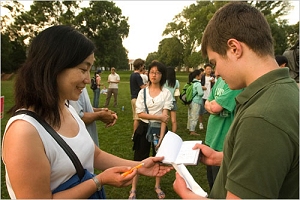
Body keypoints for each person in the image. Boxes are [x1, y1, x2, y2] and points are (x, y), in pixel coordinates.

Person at [1, 25, 172, 199]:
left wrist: (140, 166)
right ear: (53, 67)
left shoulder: (67, 109)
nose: (87, 79)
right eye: (83, 69)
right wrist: (98, 181)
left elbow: (93, 153)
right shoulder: (24, 132)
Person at [173, 2, 299, 199]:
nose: (217, 72)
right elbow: (275, 161)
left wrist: (186, 194)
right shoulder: (284, 91)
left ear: (234, 48)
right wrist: (223, 158)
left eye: (215, 63)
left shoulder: (261, 118)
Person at [130, 61, 173, 199]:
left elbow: (165, 118)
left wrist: (161, 137)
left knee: (158, 158)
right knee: (138, 160)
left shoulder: (166, 93)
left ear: (162, 75)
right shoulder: (142, 92)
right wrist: (159, 117)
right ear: (148, 73)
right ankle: (133, 188)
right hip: (143, 129)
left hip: (159, 129)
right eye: (152, 72)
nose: (154, 75)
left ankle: (157, 186)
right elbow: (140, 113)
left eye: (157, 72)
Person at [203, 76, 243, 191]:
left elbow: (215, 107)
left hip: (222, 143)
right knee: (211, 181)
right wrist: (212, 105)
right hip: (211, 139)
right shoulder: (220, 81)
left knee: (219, 186)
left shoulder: (235, 83)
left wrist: (212, 105)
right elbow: (207, 102)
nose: (216, 71)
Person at [130, 58, 147, 140]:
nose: (143, 67)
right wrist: (149, 84)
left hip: (133, 98)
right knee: (137, 118)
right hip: (137, 98)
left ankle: (135, 134)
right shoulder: (138, 76)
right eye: (143, 65)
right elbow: (142, 87)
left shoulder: (132, 75)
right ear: (140, 66)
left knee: (136, 117)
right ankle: (135, 135)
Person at [186, 69, 204, 136]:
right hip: (196, 101)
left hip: (190, 101)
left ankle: (189, 128)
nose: (201, 76)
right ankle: (192, 131)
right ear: (197, 76)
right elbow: (200, 93)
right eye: (200, 75)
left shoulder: (191, 83)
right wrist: (203, 90)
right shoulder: (198, 84)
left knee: (190, 115)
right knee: (195, 116)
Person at [199, 63, 215, 130]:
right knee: (201, 111)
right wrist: (202, 87)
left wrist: (213, 82)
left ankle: (210, 124)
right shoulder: (202, 77)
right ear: (205, 69)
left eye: (210, 69)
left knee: (210, 111)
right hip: (202, 96)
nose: (209, 70)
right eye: (207, 69)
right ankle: (200, 123)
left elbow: (216, 86)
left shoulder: (213, 77)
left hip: (210, 97)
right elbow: (197, 85)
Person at [163, 67, 180, 133]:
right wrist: (176, 100)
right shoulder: (176, 82)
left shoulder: (163, 81)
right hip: (172, 101)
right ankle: (173, 133)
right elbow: (177, 94)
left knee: (164, 119)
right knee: (174, 120)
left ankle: (163, 132)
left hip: (164, 102)